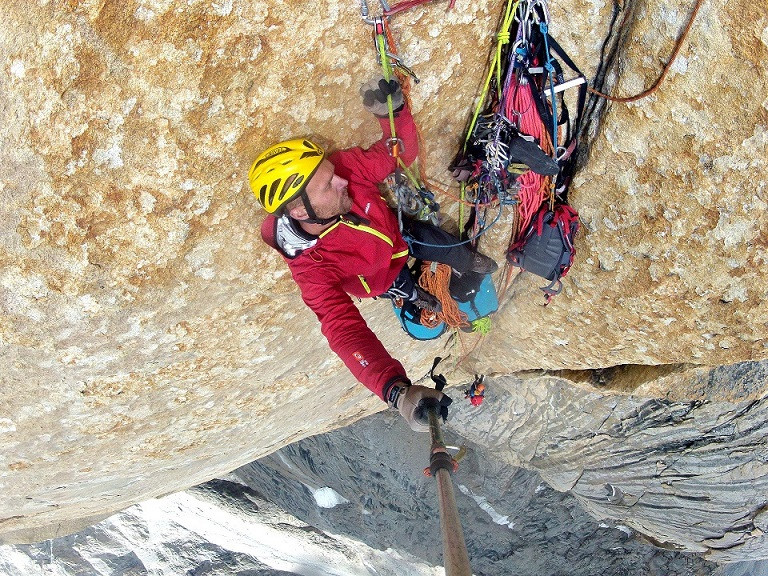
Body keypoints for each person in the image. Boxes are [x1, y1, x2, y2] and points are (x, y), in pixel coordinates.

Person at [248, 78, 498, 432]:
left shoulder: (344, 170)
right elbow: (343, 331)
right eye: (328, 185)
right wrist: (395, 391)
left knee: (451, 249)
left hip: (400, 237)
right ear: (301, 212)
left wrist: (393, 114)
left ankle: (468, 264)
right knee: (412, 290)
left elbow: (399, 153)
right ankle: (419, 296)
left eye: (332, 175)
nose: (342, 181)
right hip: (382, 277)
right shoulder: (311, 268)